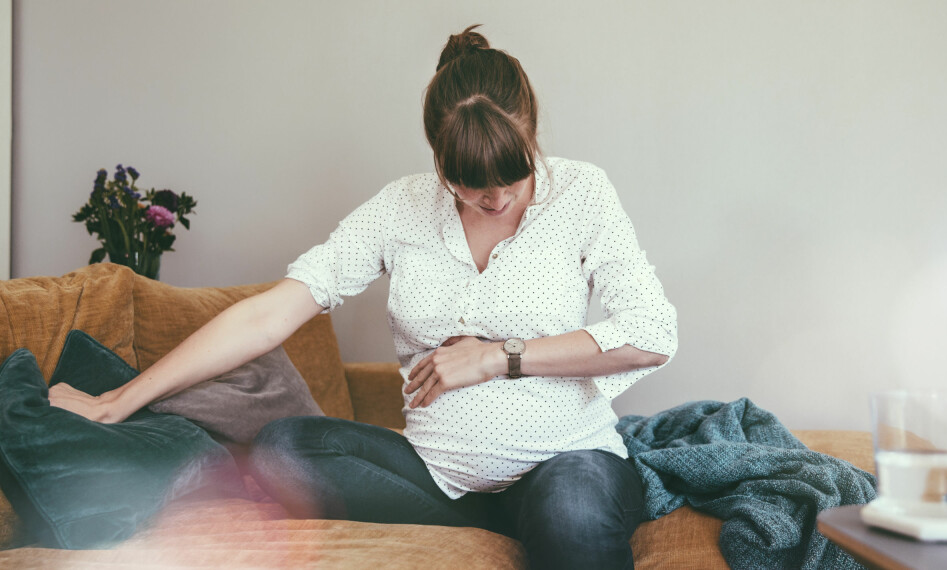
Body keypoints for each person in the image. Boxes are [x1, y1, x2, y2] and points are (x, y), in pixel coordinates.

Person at [50, 25, 677, 570]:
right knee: (286, 447)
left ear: (532, 132)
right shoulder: (398, 209)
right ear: (438, 158)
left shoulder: (582, 193)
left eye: (510, 181)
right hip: (438, 479)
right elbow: (272, 314)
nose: (495, 200)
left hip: (566, 459)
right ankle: (501, 521)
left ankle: (543, 515)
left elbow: (653, 333)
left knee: (570, 507)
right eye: (469, 185)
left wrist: (498, 356)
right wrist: (117, 401)